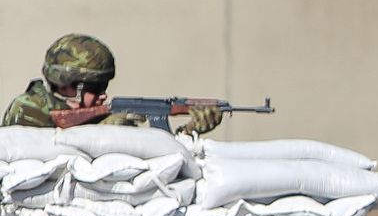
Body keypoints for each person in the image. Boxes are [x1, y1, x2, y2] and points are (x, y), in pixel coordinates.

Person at [3, 34, 224, 132]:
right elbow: (41, 156)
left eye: (104, 86)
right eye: (95, 88)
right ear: (65, 85)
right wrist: (102, 131)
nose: (103, 96)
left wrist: (187, 134)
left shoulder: (98, 119)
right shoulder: (29, 107)